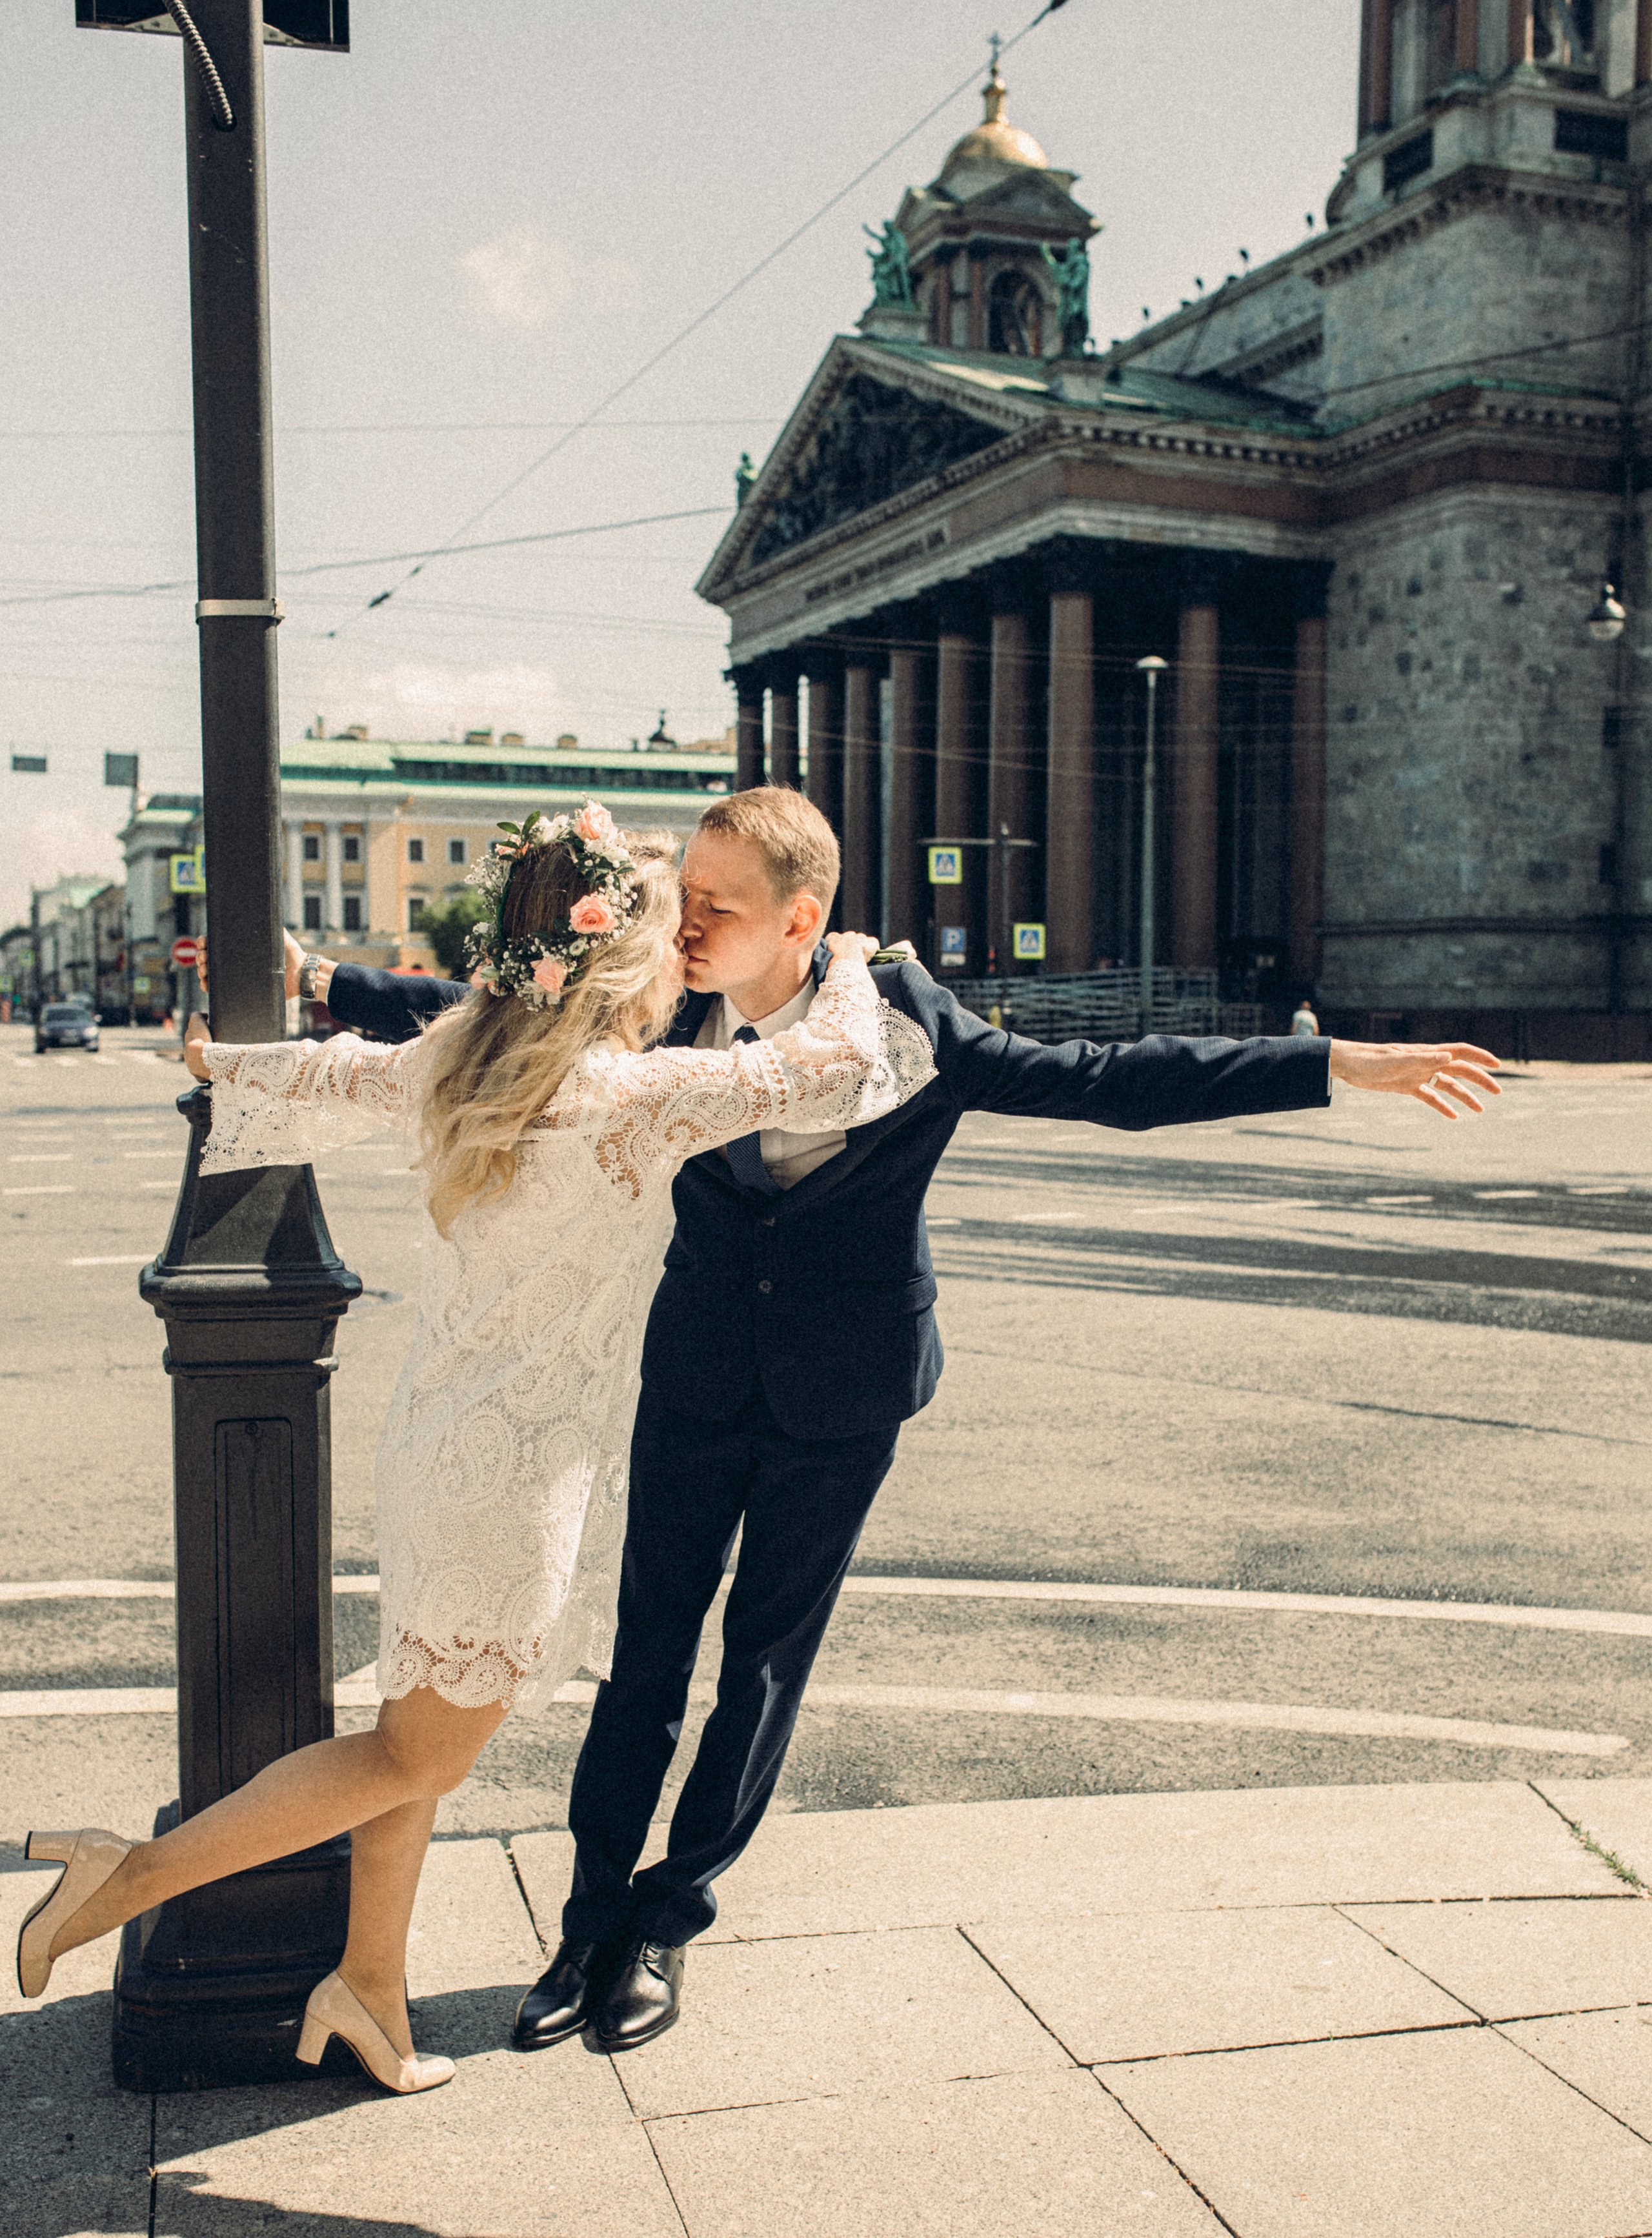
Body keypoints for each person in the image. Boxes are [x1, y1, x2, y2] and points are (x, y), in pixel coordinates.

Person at [300, 785, 1500, 2056]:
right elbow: (484, 1021)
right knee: (643, 1659)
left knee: (759, 1663)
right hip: (699, 1372)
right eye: (682, 898)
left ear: (797, 918)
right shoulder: (653, 1002)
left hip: (846, 1386)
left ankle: (664, 1920)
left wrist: (1334, 1062)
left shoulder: (903, 1023)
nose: (685, 926)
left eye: (717, 908)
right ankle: (588, 1924)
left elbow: (1106, 1081)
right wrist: (325, 981)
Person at [15, 801, 933, 2097]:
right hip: (518, 1483)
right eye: (670, 932)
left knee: (409, 1740)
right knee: (413, 1754)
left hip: (438, 1446)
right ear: (618, 963)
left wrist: (229, 1049)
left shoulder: (456, 1059)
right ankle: (128, 1880)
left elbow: (284, 1076)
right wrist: (841, 955)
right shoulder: (636, 1097)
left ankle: (368, 1990)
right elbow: (839, 1063)